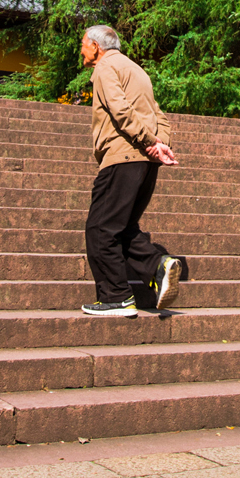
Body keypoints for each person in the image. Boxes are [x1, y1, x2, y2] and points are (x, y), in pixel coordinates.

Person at [80, 25, 184, 318]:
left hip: (122, 158)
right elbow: (159, 115)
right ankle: (158, 266)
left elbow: (120, 110)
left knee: (100, 229)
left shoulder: (105, 67)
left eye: (84, 44)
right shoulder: (138, 70)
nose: (82, 49)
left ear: (97, 47)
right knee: (122, 229)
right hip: (145, 163)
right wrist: (159, 144)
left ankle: (116, 297)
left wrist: (150, 142)